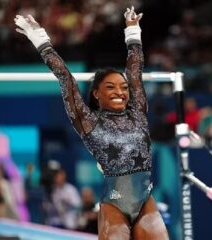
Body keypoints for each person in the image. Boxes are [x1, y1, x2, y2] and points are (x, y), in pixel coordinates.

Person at [14, 5, 169, 239]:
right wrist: (40, 39)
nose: (120, 91)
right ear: (96, 93)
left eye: (123, 87)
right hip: (115, 206)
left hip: (146, 202)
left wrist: (133, 32)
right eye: (111, 87)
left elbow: (135, 71)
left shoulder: (138, 111)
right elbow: (65, 78)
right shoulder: (88, 122)